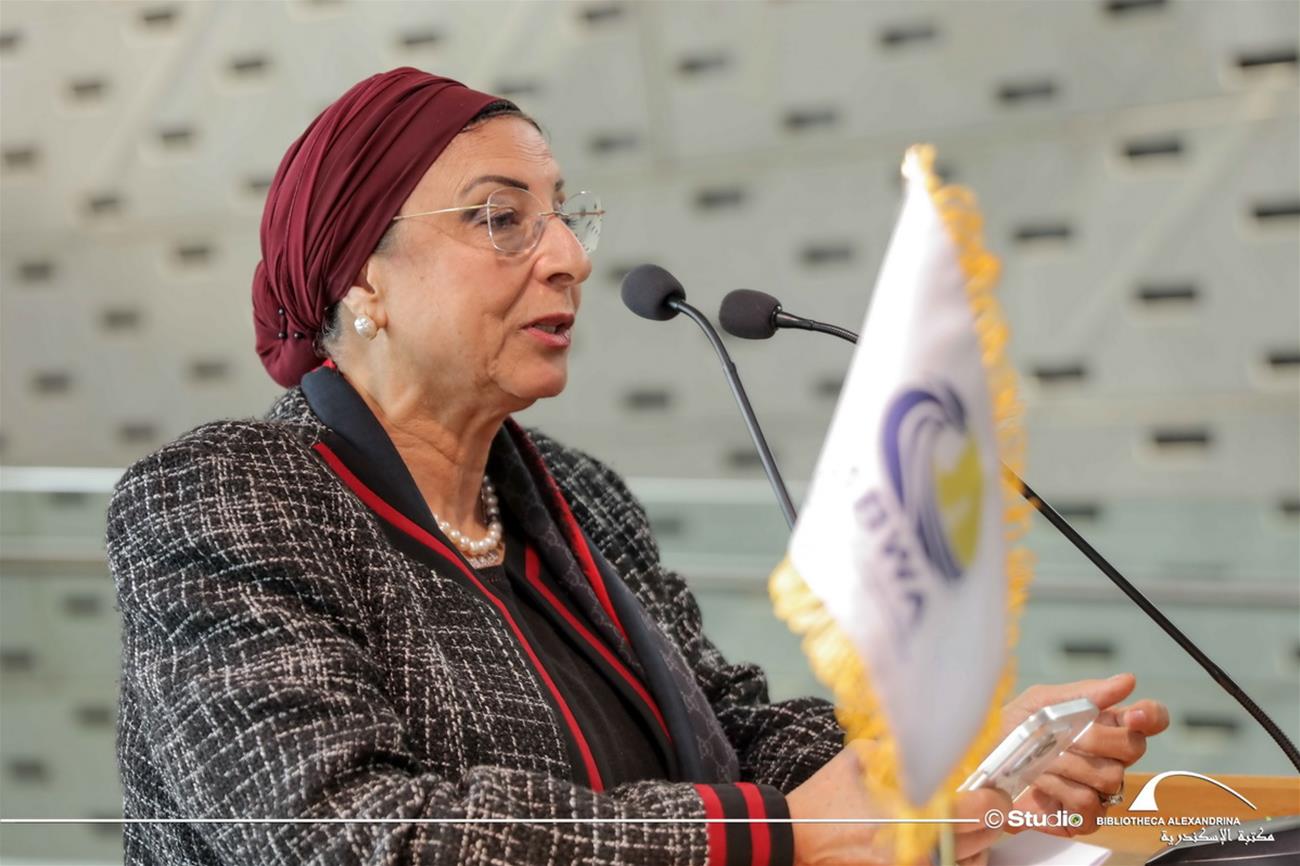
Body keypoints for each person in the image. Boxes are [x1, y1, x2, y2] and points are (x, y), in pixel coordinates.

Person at [106, 68, 1169, 866]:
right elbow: (343, 830)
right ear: (361, 278)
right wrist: (779, 836)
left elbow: (737, 728)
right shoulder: (225, 497)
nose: (568, 255)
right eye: (501, 220)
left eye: (563, 215)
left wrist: (952, 761)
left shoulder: (577, 492)